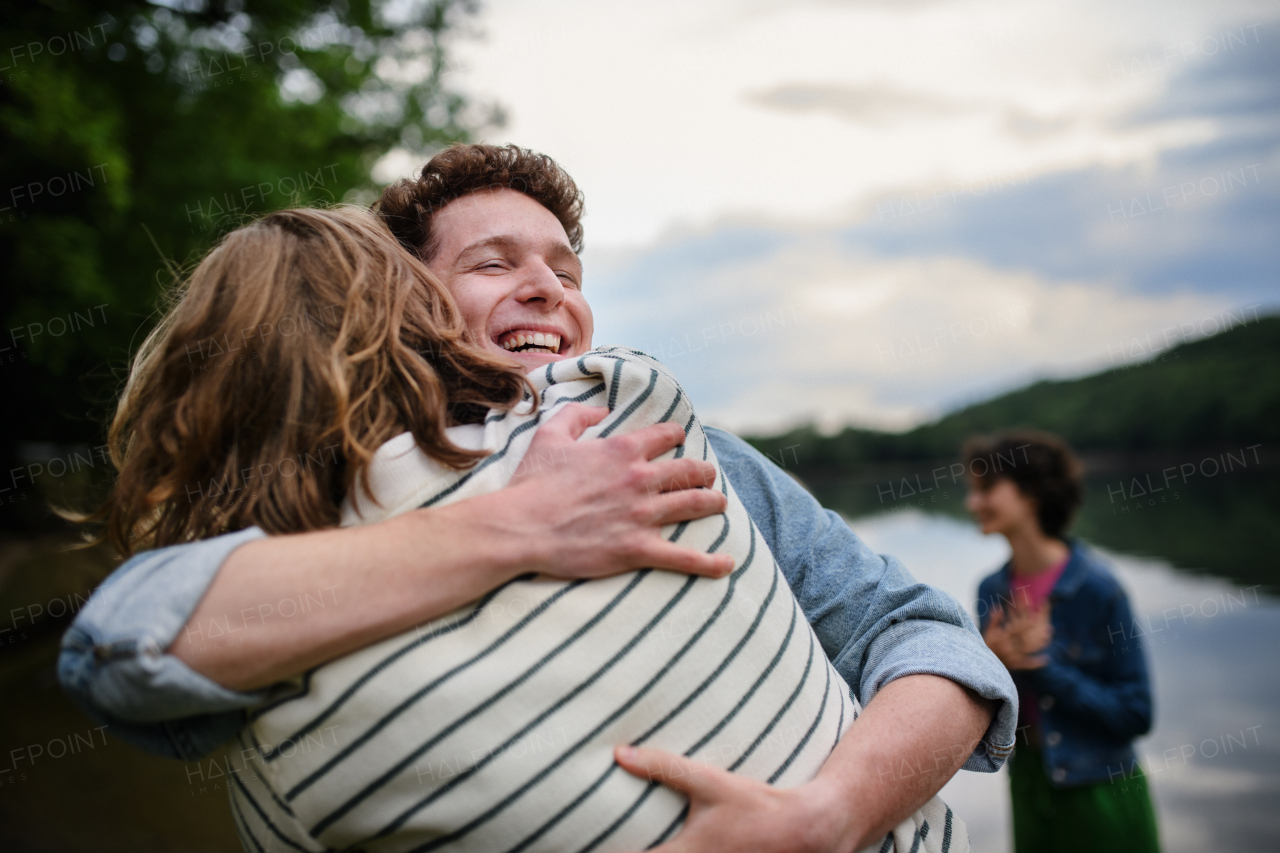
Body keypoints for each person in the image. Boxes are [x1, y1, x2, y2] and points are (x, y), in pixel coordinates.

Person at [61, 144, 1017, 851]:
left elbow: (929, 640)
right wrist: (520, 524)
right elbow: (124, 653)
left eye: (566, 270)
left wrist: (832, 814)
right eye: (495, 264)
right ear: (410, 306)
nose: (548, 290)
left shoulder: (674, 450)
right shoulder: (322, 519)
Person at [965, 431, 1160, 853]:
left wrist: (1044, 669)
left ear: (1030, 494)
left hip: (1102, 790)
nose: (973, 502)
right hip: (1030, 788)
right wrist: (988, 664)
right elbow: (989, 712)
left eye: (986, 489)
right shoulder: (990, 591)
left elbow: (1137, 714)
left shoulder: (1099, 589)